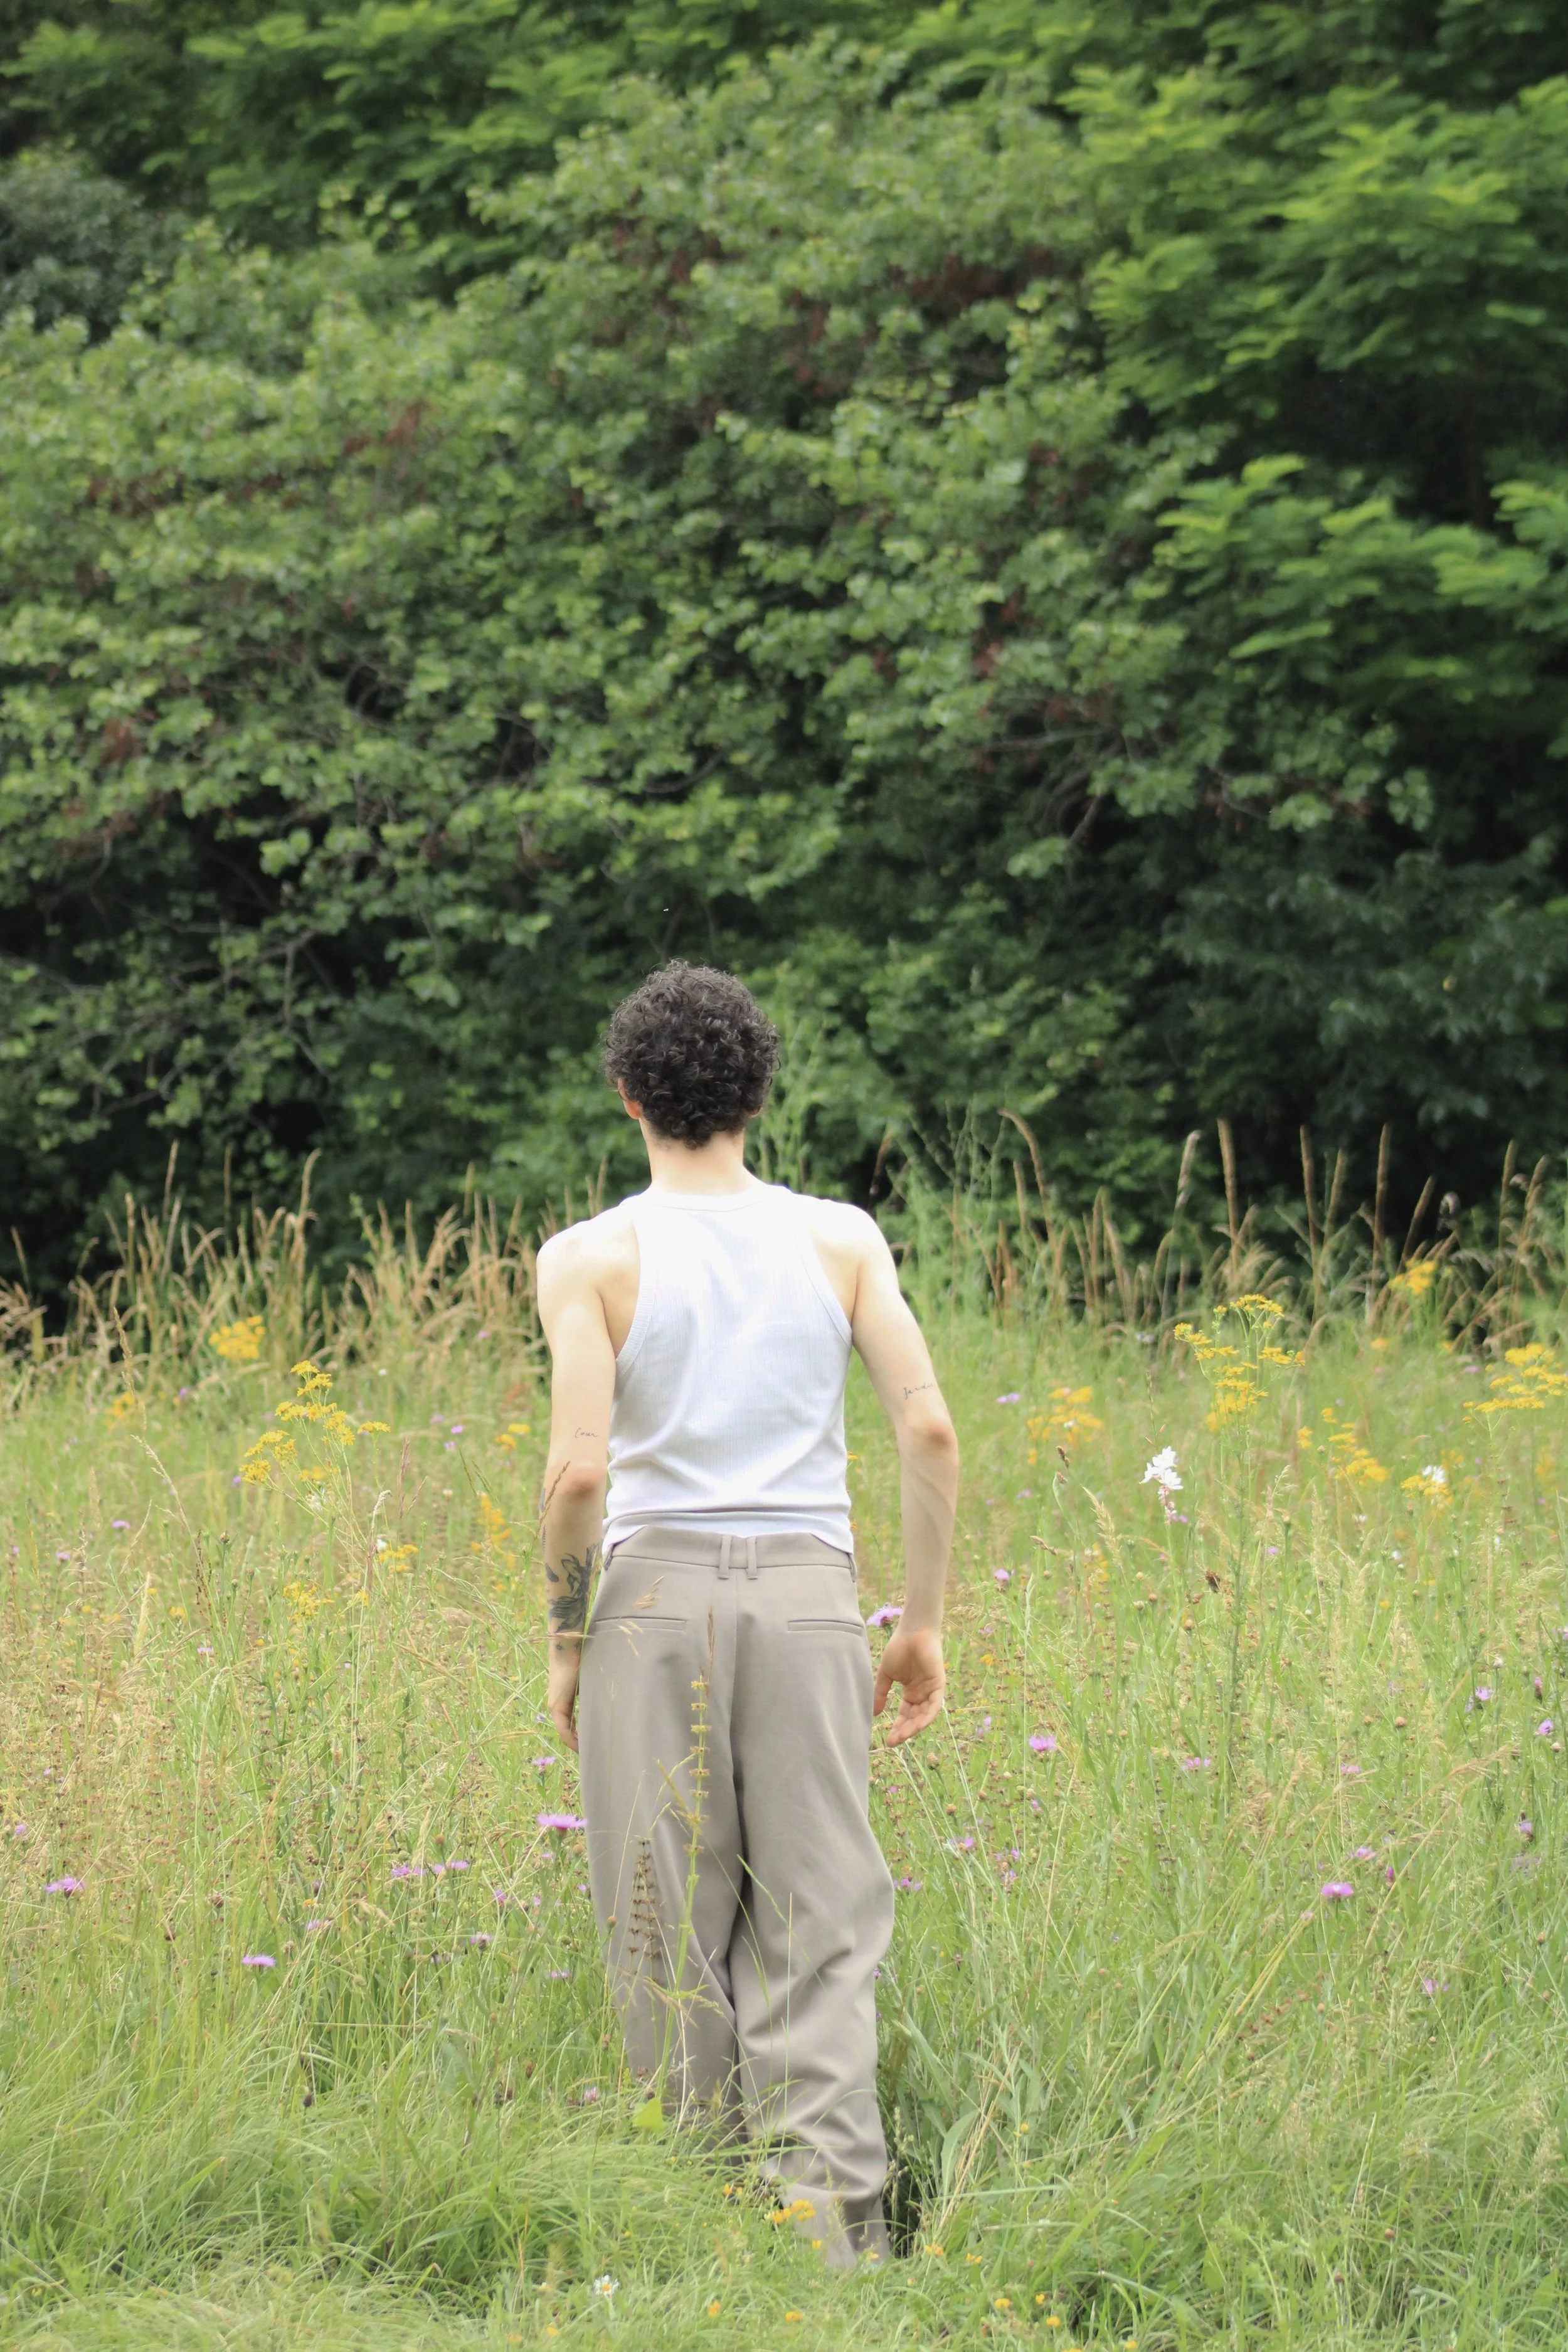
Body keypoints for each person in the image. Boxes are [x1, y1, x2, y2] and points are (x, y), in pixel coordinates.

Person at [536, 961, 959, 2269]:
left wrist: (566, 1634)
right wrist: (919, 1624)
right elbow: (929, 1426)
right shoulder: (839, 1240)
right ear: (757, 1096)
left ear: (626, 1098)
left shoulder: (588, 1257)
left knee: (664, 1921)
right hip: (809, 1594)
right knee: (817, 1923)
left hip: (650, 1598)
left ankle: (696, 2239)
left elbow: (576, 1474)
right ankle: (828, 2242)